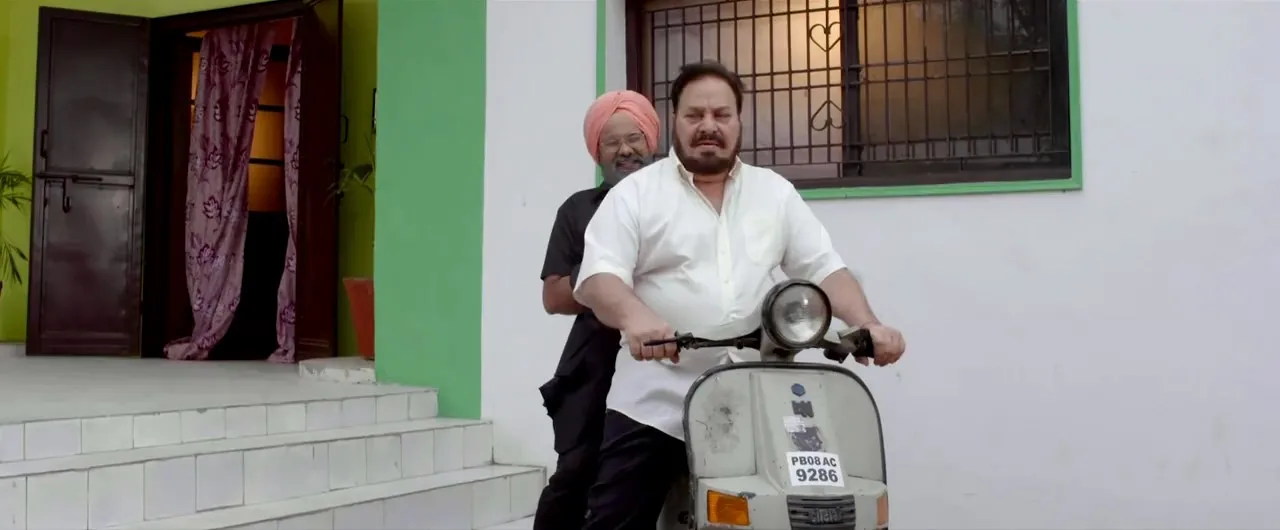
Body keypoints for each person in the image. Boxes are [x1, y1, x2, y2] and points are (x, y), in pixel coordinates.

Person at [573, 60, 908, 529]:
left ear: (738, 120)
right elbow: (600, 276)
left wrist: (868, 324)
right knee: (614, 519)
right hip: (657, 401)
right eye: (695, 115)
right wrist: (635, 318)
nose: (708, 126)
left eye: (721, 114)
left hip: (761, 399)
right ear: (675, 119)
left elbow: (823, 268)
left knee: (803, 512)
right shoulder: (635, 194)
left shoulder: (774, 193)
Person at [534, 90, 661, 530]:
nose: (625, 150)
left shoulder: (678, 204)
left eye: (634, 138)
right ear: (597, 151)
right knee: (575, 474)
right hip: (594, 363)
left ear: (651, 141)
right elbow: (554, 297)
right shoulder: (578, 209)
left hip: (663, 360)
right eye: (612, 142)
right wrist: (603, 273)